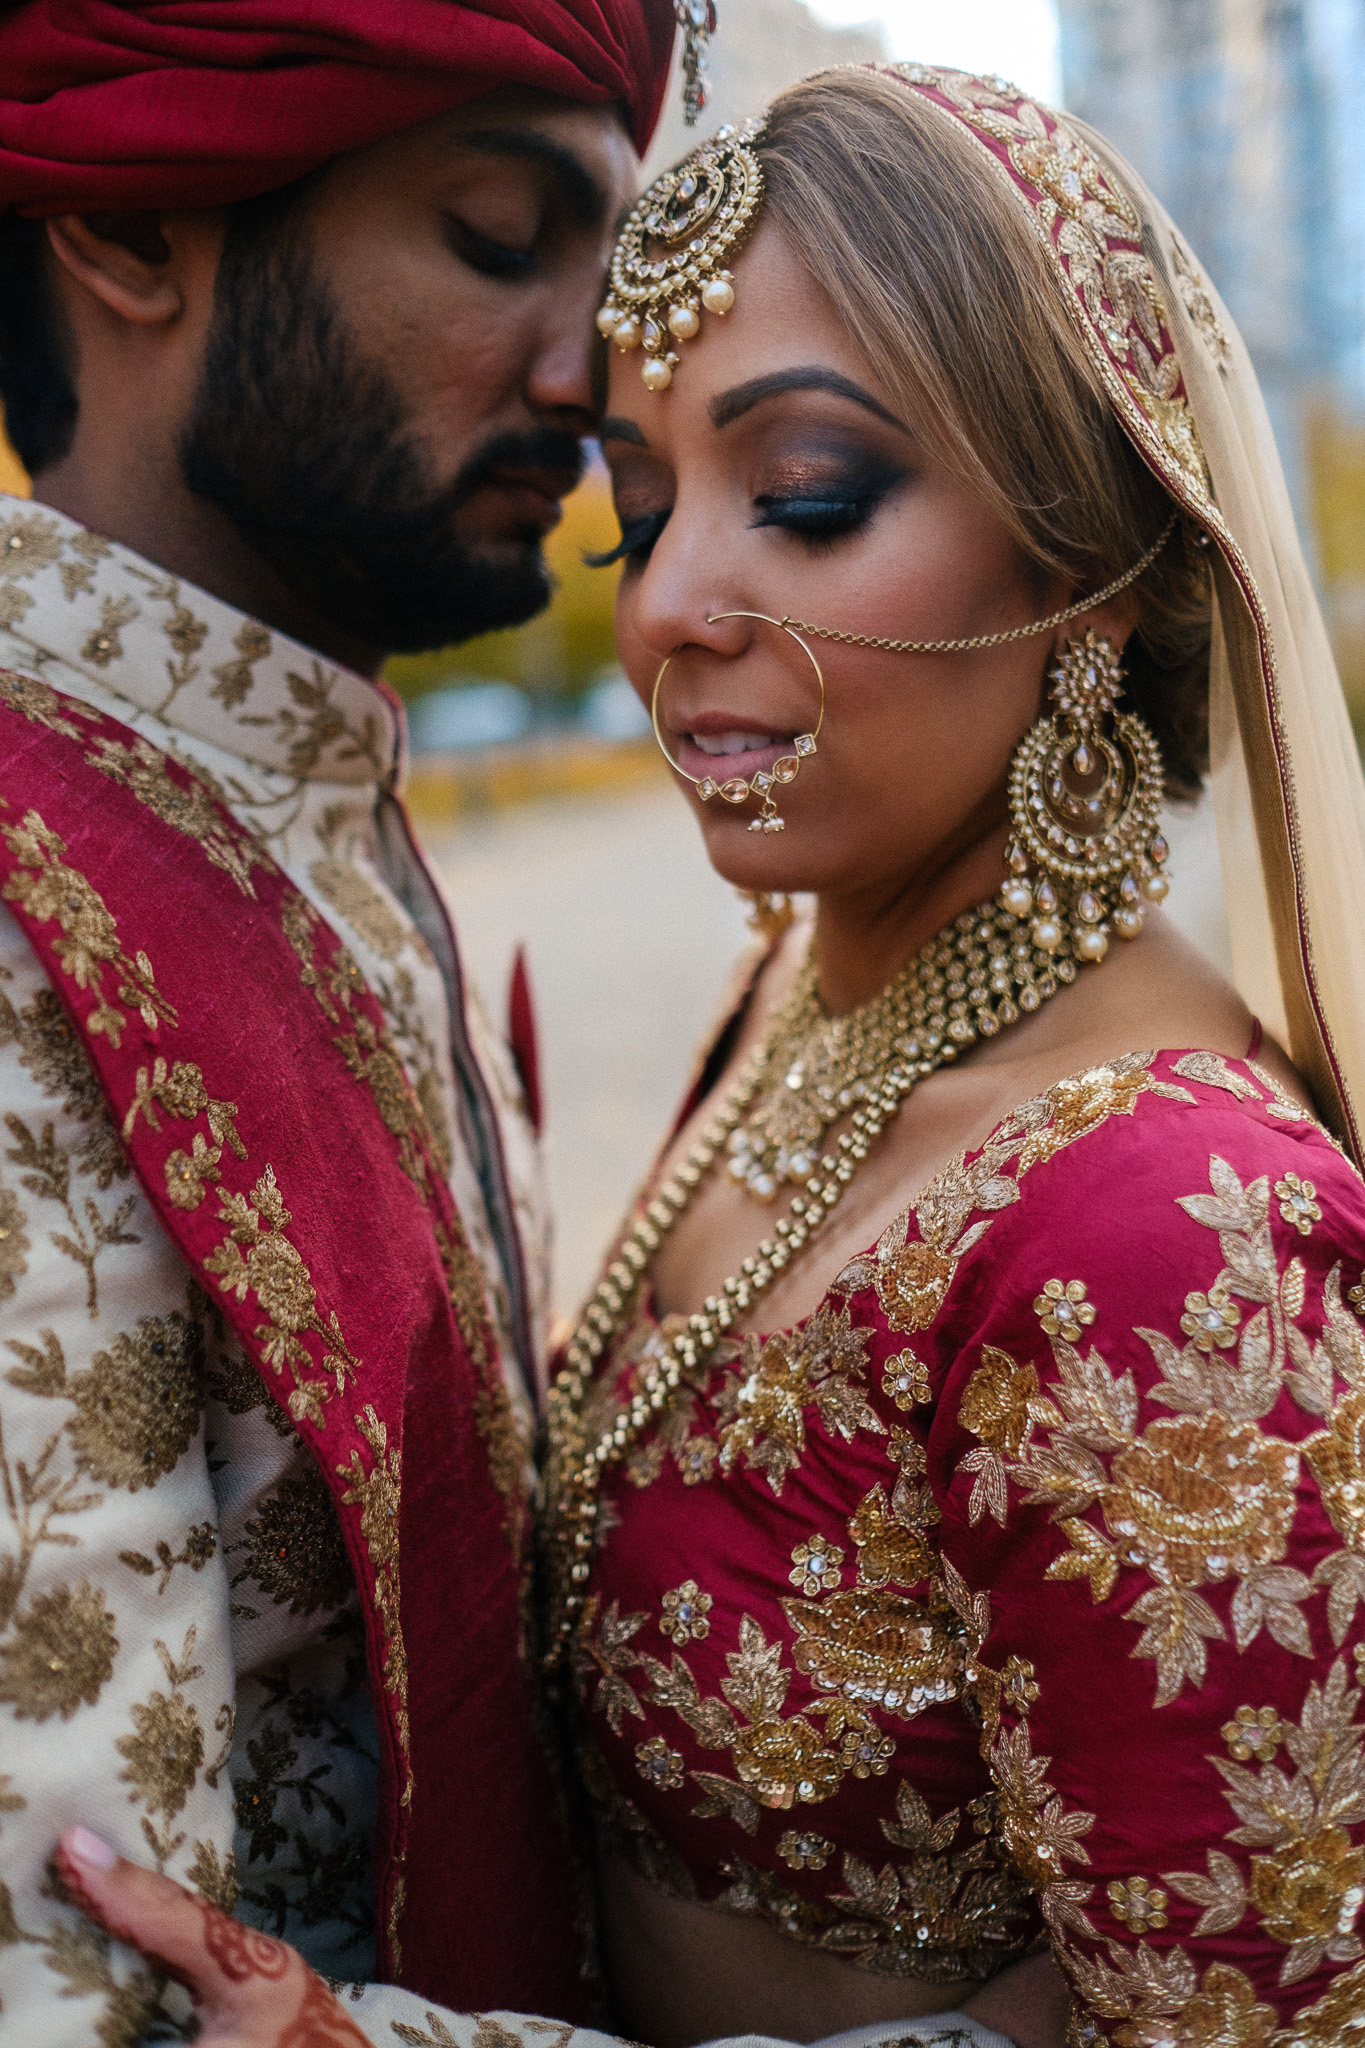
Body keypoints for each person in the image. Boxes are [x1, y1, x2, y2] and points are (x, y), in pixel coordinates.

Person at [46, 57, 1365, 2048]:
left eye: (806, 497)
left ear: (1085, 569)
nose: (663, 604)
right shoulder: (813, 1007)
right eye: (638, 508)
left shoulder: (1174, 1230)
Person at [0, 1, 676, 2042]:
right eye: (494, 235)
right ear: (132, 227)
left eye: (612, 272)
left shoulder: (301, 797)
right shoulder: (31, 898)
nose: (590, 371)